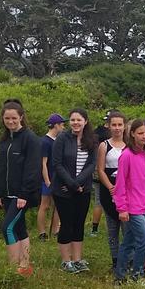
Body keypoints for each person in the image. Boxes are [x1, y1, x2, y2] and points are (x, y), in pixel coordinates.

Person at [0, 100, 41, 276]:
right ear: (3, 119)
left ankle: (13, 269)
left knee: (7, 228)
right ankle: (24, 266)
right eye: (7, 118)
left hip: (22, 195)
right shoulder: (4, 140)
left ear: (21, 117)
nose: (10, 121)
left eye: (14, 118)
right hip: (7, 194)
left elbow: (32, 169)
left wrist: (24, 194)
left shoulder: (30, 139)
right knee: (19, 228)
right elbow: (1, 168)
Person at [114, 118, 145, 283]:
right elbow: (120, 184)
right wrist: (122, 208)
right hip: (132, 207)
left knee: (128, 242)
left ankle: (120, 276)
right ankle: (138, 274)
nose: (144, 136)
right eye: (140, 133)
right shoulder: (126, 155)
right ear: (132, 134)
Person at [52, 108, 98, 273]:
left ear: (85, 121)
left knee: (79, 224)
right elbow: (57, 164)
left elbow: (92, 164)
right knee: (67, 224)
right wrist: (72, 184)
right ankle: (66, 261)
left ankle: (77, 259)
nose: (76, 123)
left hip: (83, 189)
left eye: (79, 120)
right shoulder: (62, 138)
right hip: (63, 190)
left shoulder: (91, 139)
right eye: (72, 120)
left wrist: (78, 183)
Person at [96, 111, 127, 274]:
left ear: (124, 126)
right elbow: (100, 169)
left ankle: (128, 260)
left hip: (127, 191)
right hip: (109, 190)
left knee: (127, 229)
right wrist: (110, 187)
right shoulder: (104, 145)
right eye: (114, 125)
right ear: (108, 126)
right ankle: (115, 261)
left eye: (120, 124)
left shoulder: (130, 145)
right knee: (112, 230)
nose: (117, 128)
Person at [37, 113, 65, 240]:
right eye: (62, 125)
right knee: (45, 205)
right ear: (56, 125)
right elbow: (43, 163)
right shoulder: (45, 142)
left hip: (58, 178)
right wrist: (47, 180)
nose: (63, 127)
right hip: (47, 179)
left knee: (58, 205)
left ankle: (55, 230)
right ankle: (42, 232)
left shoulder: (58, 140)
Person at [90, 111, 114, 237]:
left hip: (96, 170)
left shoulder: (95, 132)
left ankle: (94, 228)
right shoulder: (112, 135)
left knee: (98, 200)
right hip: (108, 171)